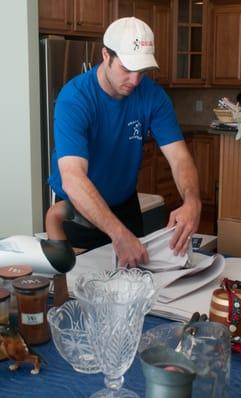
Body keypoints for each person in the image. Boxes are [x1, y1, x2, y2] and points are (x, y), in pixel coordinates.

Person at [48, 17, 201, 267]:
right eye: (127, 68)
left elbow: (179, 157)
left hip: (125, 205)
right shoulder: (75, 99)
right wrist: (118, 235)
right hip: (78, 212)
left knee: (136, 287)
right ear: (106, 55)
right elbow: (73, 178)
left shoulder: (153, 96)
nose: (134, 80)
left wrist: (192, 200)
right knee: (82, 289)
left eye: (141, 71)